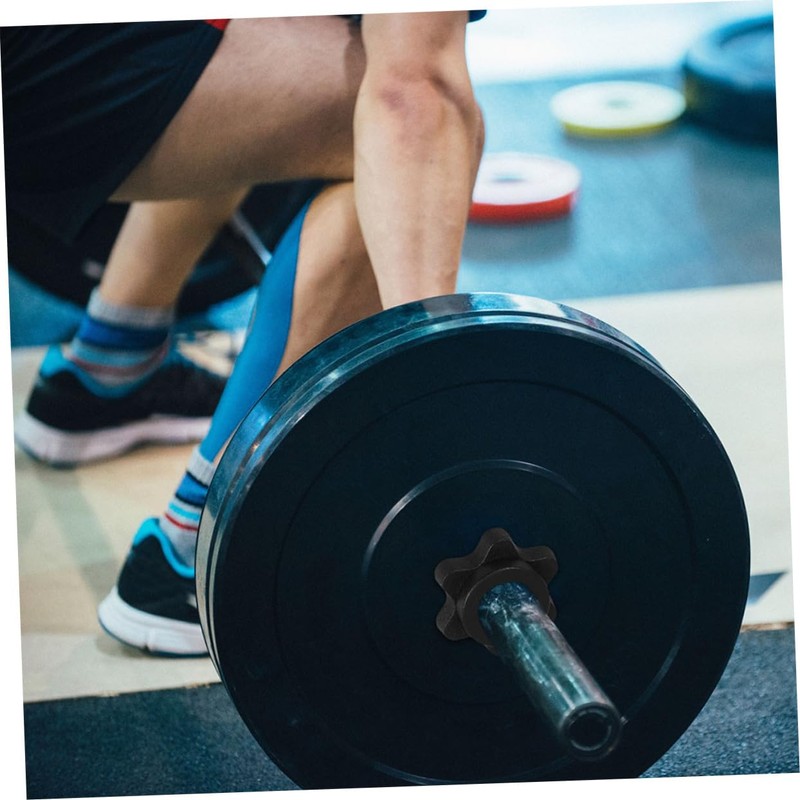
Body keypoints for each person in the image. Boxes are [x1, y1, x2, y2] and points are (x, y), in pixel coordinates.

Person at [2, 12, 486, 655]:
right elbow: (411, 97)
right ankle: (205, 543)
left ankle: (107, 365)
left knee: (268, 40)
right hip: (36, 77)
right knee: (411, 125)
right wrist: (436, 403)